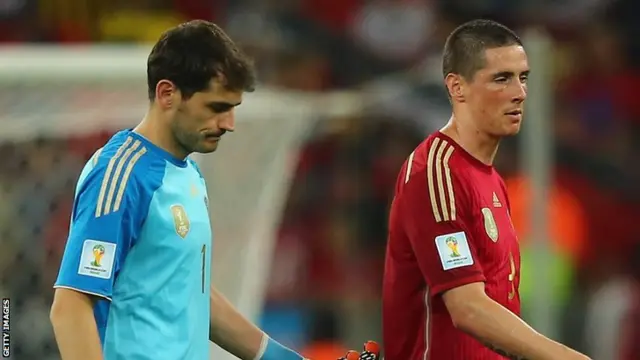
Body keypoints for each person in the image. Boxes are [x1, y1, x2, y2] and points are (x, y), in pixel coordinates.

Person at [49, 20, 308, 360]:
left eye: (232, 109)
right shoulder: (124, 174)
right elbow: (71, 306)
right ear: (167, 93)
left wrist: (280, 357)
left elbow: (189, 292)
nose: (229, 124)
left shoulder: (188, 174)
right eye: (217, 108)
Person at [381, 19, 591, 360]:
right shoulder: (437, 173)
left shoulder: (491, 180)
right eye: (501, 79)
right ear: (457, 87)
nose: (519, 93)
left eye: (523, 78)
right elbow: (468, 308)